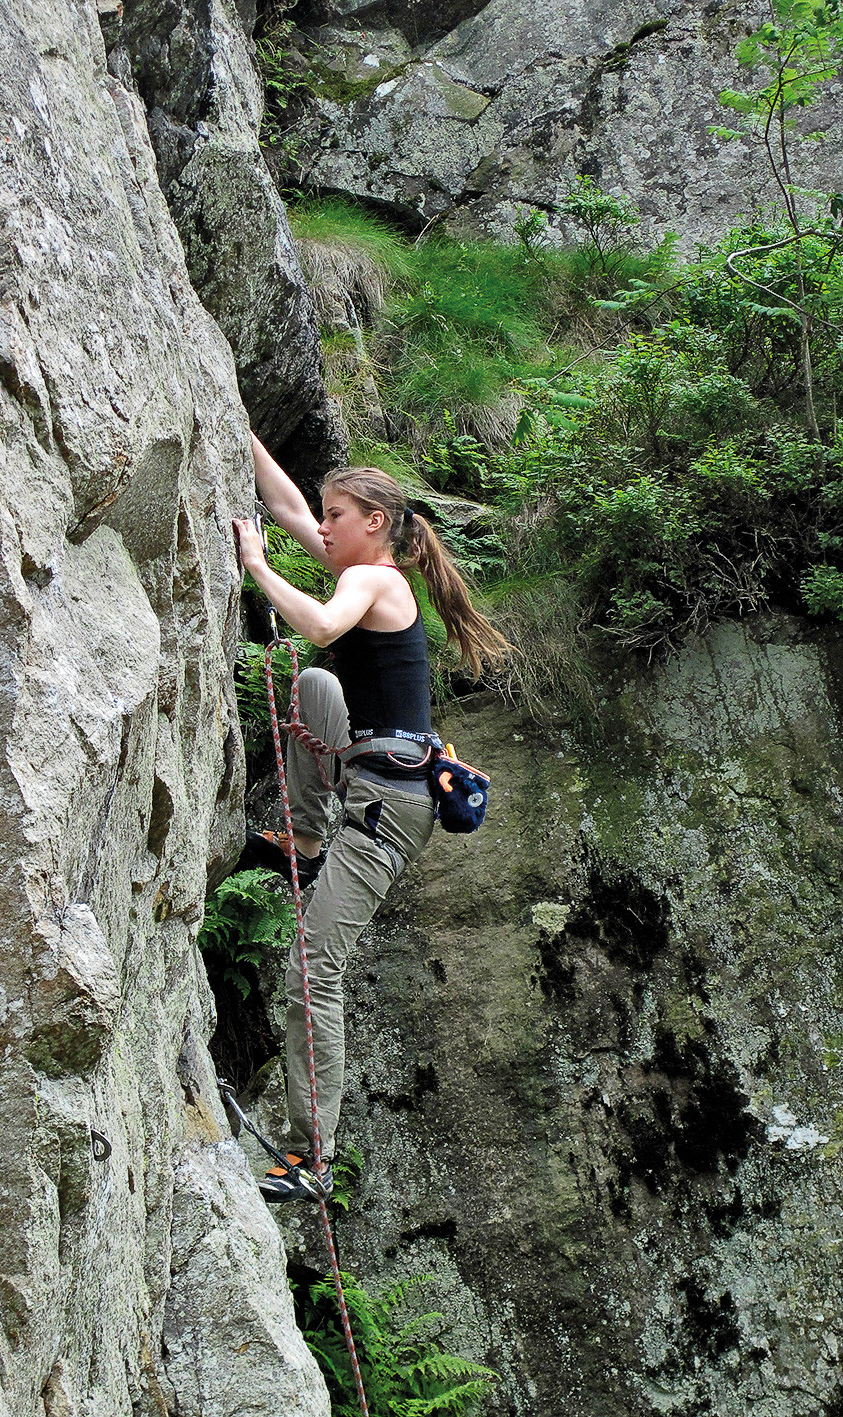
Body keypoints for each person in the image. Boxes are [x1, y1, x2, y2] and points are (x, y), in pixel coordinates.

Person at [233, 434, 509, 1203]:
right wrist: (240, 428)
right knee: (317, 687)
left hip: (388, 808)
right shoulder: (361, 569)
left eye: (337, 514)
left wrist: (257, 567)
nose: (321, 526)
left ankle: (311, 1156)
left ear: (376, 522)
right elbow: (285, 505)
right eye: (324, 514)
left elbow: (320, 627)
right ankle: (305, 839)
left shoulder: (373, 580)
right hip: (375, 782)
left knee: (312, 970)